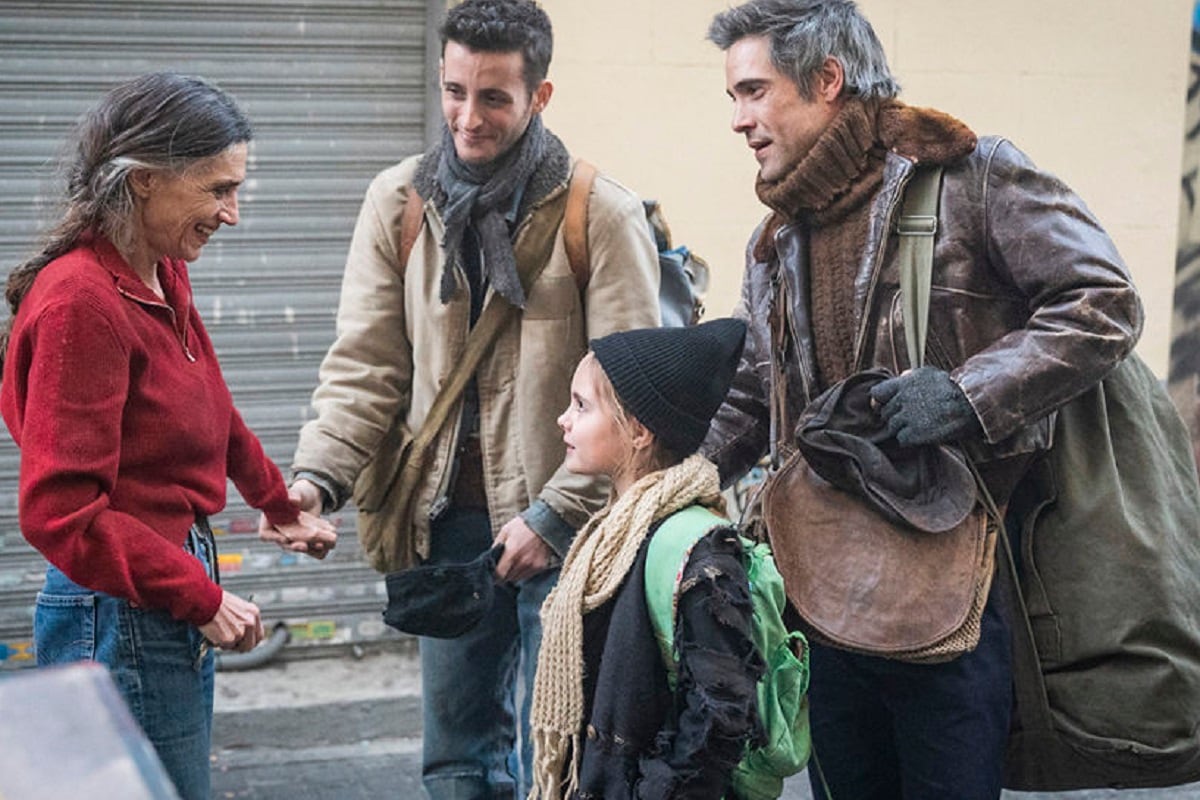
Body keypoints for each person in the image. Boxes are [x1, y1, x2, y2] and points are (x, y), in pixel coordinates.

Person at [701, 1, 1144, 798]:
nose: (739, 120)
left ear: (827, 80)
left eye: (754, 91)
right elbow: (747, 398)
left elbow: (1102, 302)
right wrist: (672, 484)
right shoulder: (776, 237)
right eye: (734, 97)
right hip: (821, 600)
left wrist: (968, 394)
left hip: (956, 600)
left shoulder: (973, 178)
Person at [282, 0, 661, 796]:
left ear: (539, 97)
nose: (467, 116)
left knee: (564, 755)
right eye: (453, 91)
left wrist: (555, 516)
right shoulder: (399, 202)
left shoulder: (602, 215)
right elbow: (366, 365)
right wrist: (316, 478)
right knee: (456, 759)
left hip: (573, 529)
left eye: (493, 97)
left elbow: (631, 398)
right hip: (446, 525)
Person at [0, 72, 337, 800]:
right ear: (146, 180)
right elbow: (61, 515)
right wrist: (201, 596)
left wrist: (277, 504)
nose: (233, 213)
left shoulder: (155, 271)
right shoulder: (81, 304)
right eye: (218, 189)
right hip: (118, 610)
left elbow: (210, 401)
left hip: (152, 591)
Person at [528, 318, 760, 800]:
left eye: (581, 406)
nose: (562, 420)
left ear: (638, 432)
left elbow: (722, 710)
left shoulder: (699, 547)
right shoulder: (611, 532)